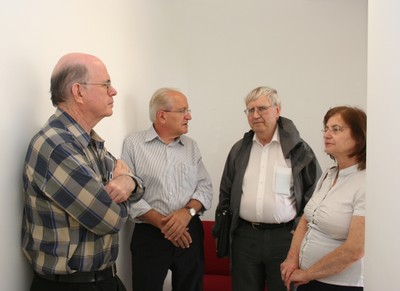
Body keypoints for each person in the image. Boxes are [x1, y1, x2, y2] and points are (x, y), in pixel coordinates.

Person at [21, 53, 144, 291]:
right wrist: (127, 183)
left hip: (101, 280)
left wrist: (128, 182)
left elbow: (135, 181)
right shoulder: (57, 147)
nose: (114, 91)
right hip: (70, 285)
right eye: (106, 84)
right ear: (78, 92)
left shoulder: (88, 142)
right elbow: (109, 219)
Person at [213, 86, 322, 291]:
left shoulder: (299, 149)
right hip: (245, 238)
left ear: (277, 110)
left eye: (262, 108)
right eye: (250, 110)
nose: (255, 115)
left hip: (285, 238)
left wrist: (300, 234)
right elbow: (225, 192)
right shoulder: (239, 149)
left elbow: (314, 197)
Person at [121, 87, 213, 291]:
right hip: (150, 235)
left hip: (189, 232)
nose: (188, 116)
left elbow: (205, 187)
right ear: (162, 116)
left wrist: (185, 214)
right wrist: (166, 224)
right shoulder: (134, 145)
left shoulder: (191, 146)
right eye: (183, 111)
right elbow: (129, 194)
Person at [280, 106, 366, 291]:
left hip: (340, 285)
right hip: (309, 279)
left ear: (359, 137)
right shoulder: (329, 174)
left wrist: (307, 274)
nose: (327, 134)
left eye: (336, 129)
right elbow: (306, 219)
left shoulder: (367, 182)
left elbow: (355, 249)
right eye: (326, 129)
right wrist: (292, 259)